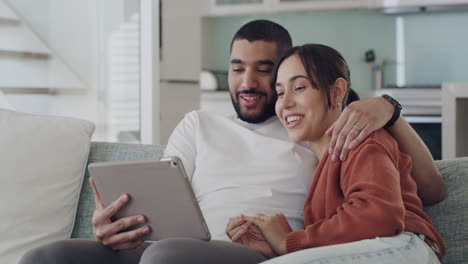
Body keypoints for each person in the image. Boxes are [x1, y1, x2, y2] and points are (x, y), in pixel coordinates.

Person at [20, 20, 444, 264]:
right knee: (46, 258)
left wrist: (387, 107)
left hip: (242, 255)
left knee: (166, 258)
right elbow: (157, 198)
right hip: (170, 246)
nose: (249, 82)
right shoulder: (199, 123)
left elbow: (422, 193)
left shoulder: (319, 131)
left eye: (266, 71)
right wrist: (112, 225)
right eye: (237, 68)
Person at [228, 44, 445, 263]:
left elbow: (378, 215)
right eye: (280, 92)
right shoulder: (322, 166)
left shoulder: (361, 138)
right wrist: (277, 248)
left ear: (337, 91)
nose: (285, 103)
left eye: (300, 87)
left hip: (404, 245)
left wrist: (291, 241)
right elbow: (341, 241)